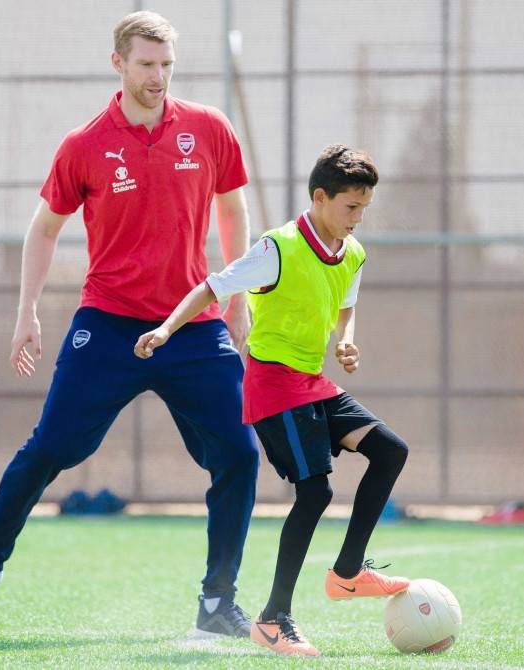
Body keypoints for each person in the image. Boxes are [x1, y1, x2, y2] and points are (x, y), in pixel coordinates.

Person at [0, 11, 259, 638]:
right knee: (51, 449)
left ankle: (217, 602)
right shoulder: (83, 144)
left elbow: (234, 209)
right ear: (118, 63)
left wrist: (237, 295)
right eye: (146, 64)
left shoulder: (209, 129)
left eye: (166, 65)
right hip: (108, 325)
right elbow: (44, 229)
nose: (158, 77)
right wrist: (26, 311)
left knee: (240, 454)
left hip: (191, 324)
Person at [135, 145, 411, 657]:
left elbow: (345, 303)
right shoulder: (277, 248)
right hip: (272, 385)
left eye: (365, 208)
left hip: (312, 381)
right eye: (351, 207)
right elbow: (211, 288)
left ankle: (348, 572)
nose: (358, 218)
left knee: (391, 450)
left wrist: (345, 339)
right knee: (316, 492)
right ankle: (272, 618)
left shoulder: (353, 252)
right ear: (320, 198)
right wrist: (166, 328)